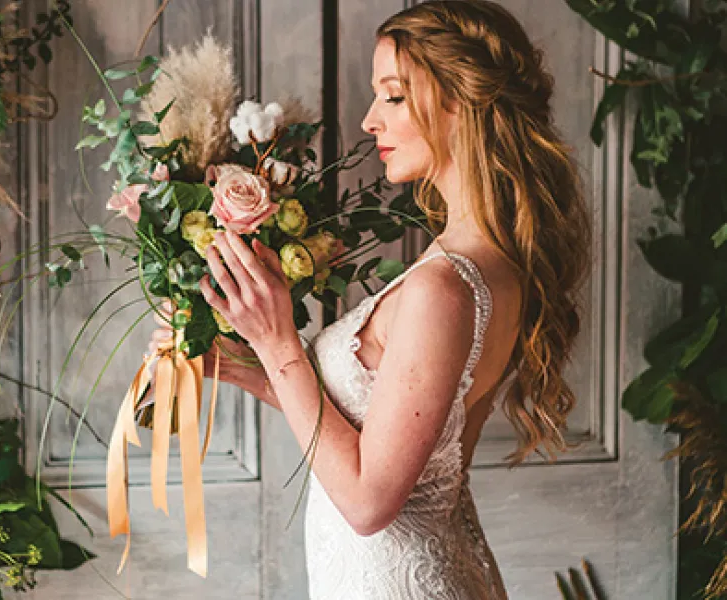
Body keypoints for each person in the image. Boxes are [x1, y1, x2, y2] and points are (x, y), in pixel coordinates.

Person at [147, 1, 592, 597]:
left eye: (393, 96)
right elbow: (382, 431)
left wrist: (278, 340)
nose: (368, 120)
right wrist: (253, 371)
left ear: (463, 100)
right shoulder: (480, 262)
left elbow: (367, 503)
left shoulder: (446, 286)